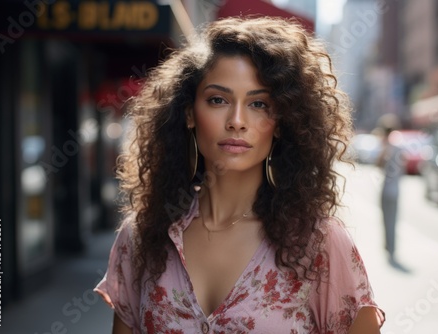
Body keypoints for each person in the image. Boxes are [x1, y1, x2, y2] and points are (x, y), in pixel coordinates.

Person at [95, 16, 385, 334]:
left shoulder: (320, 245)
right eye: (218, 100)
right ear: (190, 113)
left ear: (282, 121)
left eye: (258, 103)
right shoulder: (140, 238)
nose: (236, 121)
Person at [375, 115, 403, 265]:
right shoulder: (399, 147)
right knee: (393, 219)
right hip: (396, 189)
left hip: (387, 190)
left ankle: (389, 247)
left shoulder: (386, 147)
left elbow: (378, 164)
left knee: (387, 219)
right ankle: (391, 247)